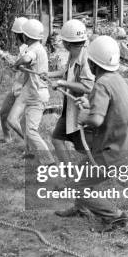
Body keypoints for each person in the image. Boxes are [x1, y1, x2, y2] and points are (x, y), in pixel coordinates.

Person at [56, 35, 128, 231]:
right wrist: (89, 105)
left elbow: (97, 120)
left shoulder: (101, 84)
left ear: (92, 63)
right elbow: (108, 108)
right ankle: (80, 208)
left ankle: (114, 216)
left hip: (111, 152)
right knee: (81, 175)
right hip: (122, 147)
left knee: (77, 184)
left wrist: (84, 118)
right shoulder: (116, 79)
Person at [48, 19, 95, 164]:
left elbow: (87, 86)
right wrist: (49, 74)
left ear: (67, 43)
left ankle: (105, 171)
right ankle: (70, 173)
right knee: (57, 139)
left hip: (81, 111)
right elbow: (66, 72)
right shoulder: (73, 55)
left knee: (86, 149)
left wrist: (62, 83)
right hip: (69, 109)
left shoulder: (85, 59)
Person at [9, 18, 55, 165]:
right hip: (27, 91)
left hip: (37, 95)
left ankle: (49, 162)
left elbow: (27, 58)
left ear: (27, 36)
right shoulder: (32, 46)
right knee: (12, 120)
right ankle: (29, 150)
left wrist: (17, 64)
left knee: (31, 131)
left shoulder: (36, 49)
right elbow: (26, 57)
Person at [0, 17, 28, 143]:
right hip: (17, 87)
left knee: (14, 121)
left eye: (16, 34)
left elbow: (17, 66)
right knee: (4, 113)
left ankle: (30, 144)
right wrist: (4, 55)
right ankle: (7, 139)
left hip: (25, 89)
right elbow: (17, 61)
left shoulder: (29, 48)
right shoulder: (23, 48)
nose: (14, 37)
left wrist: (4, 56)